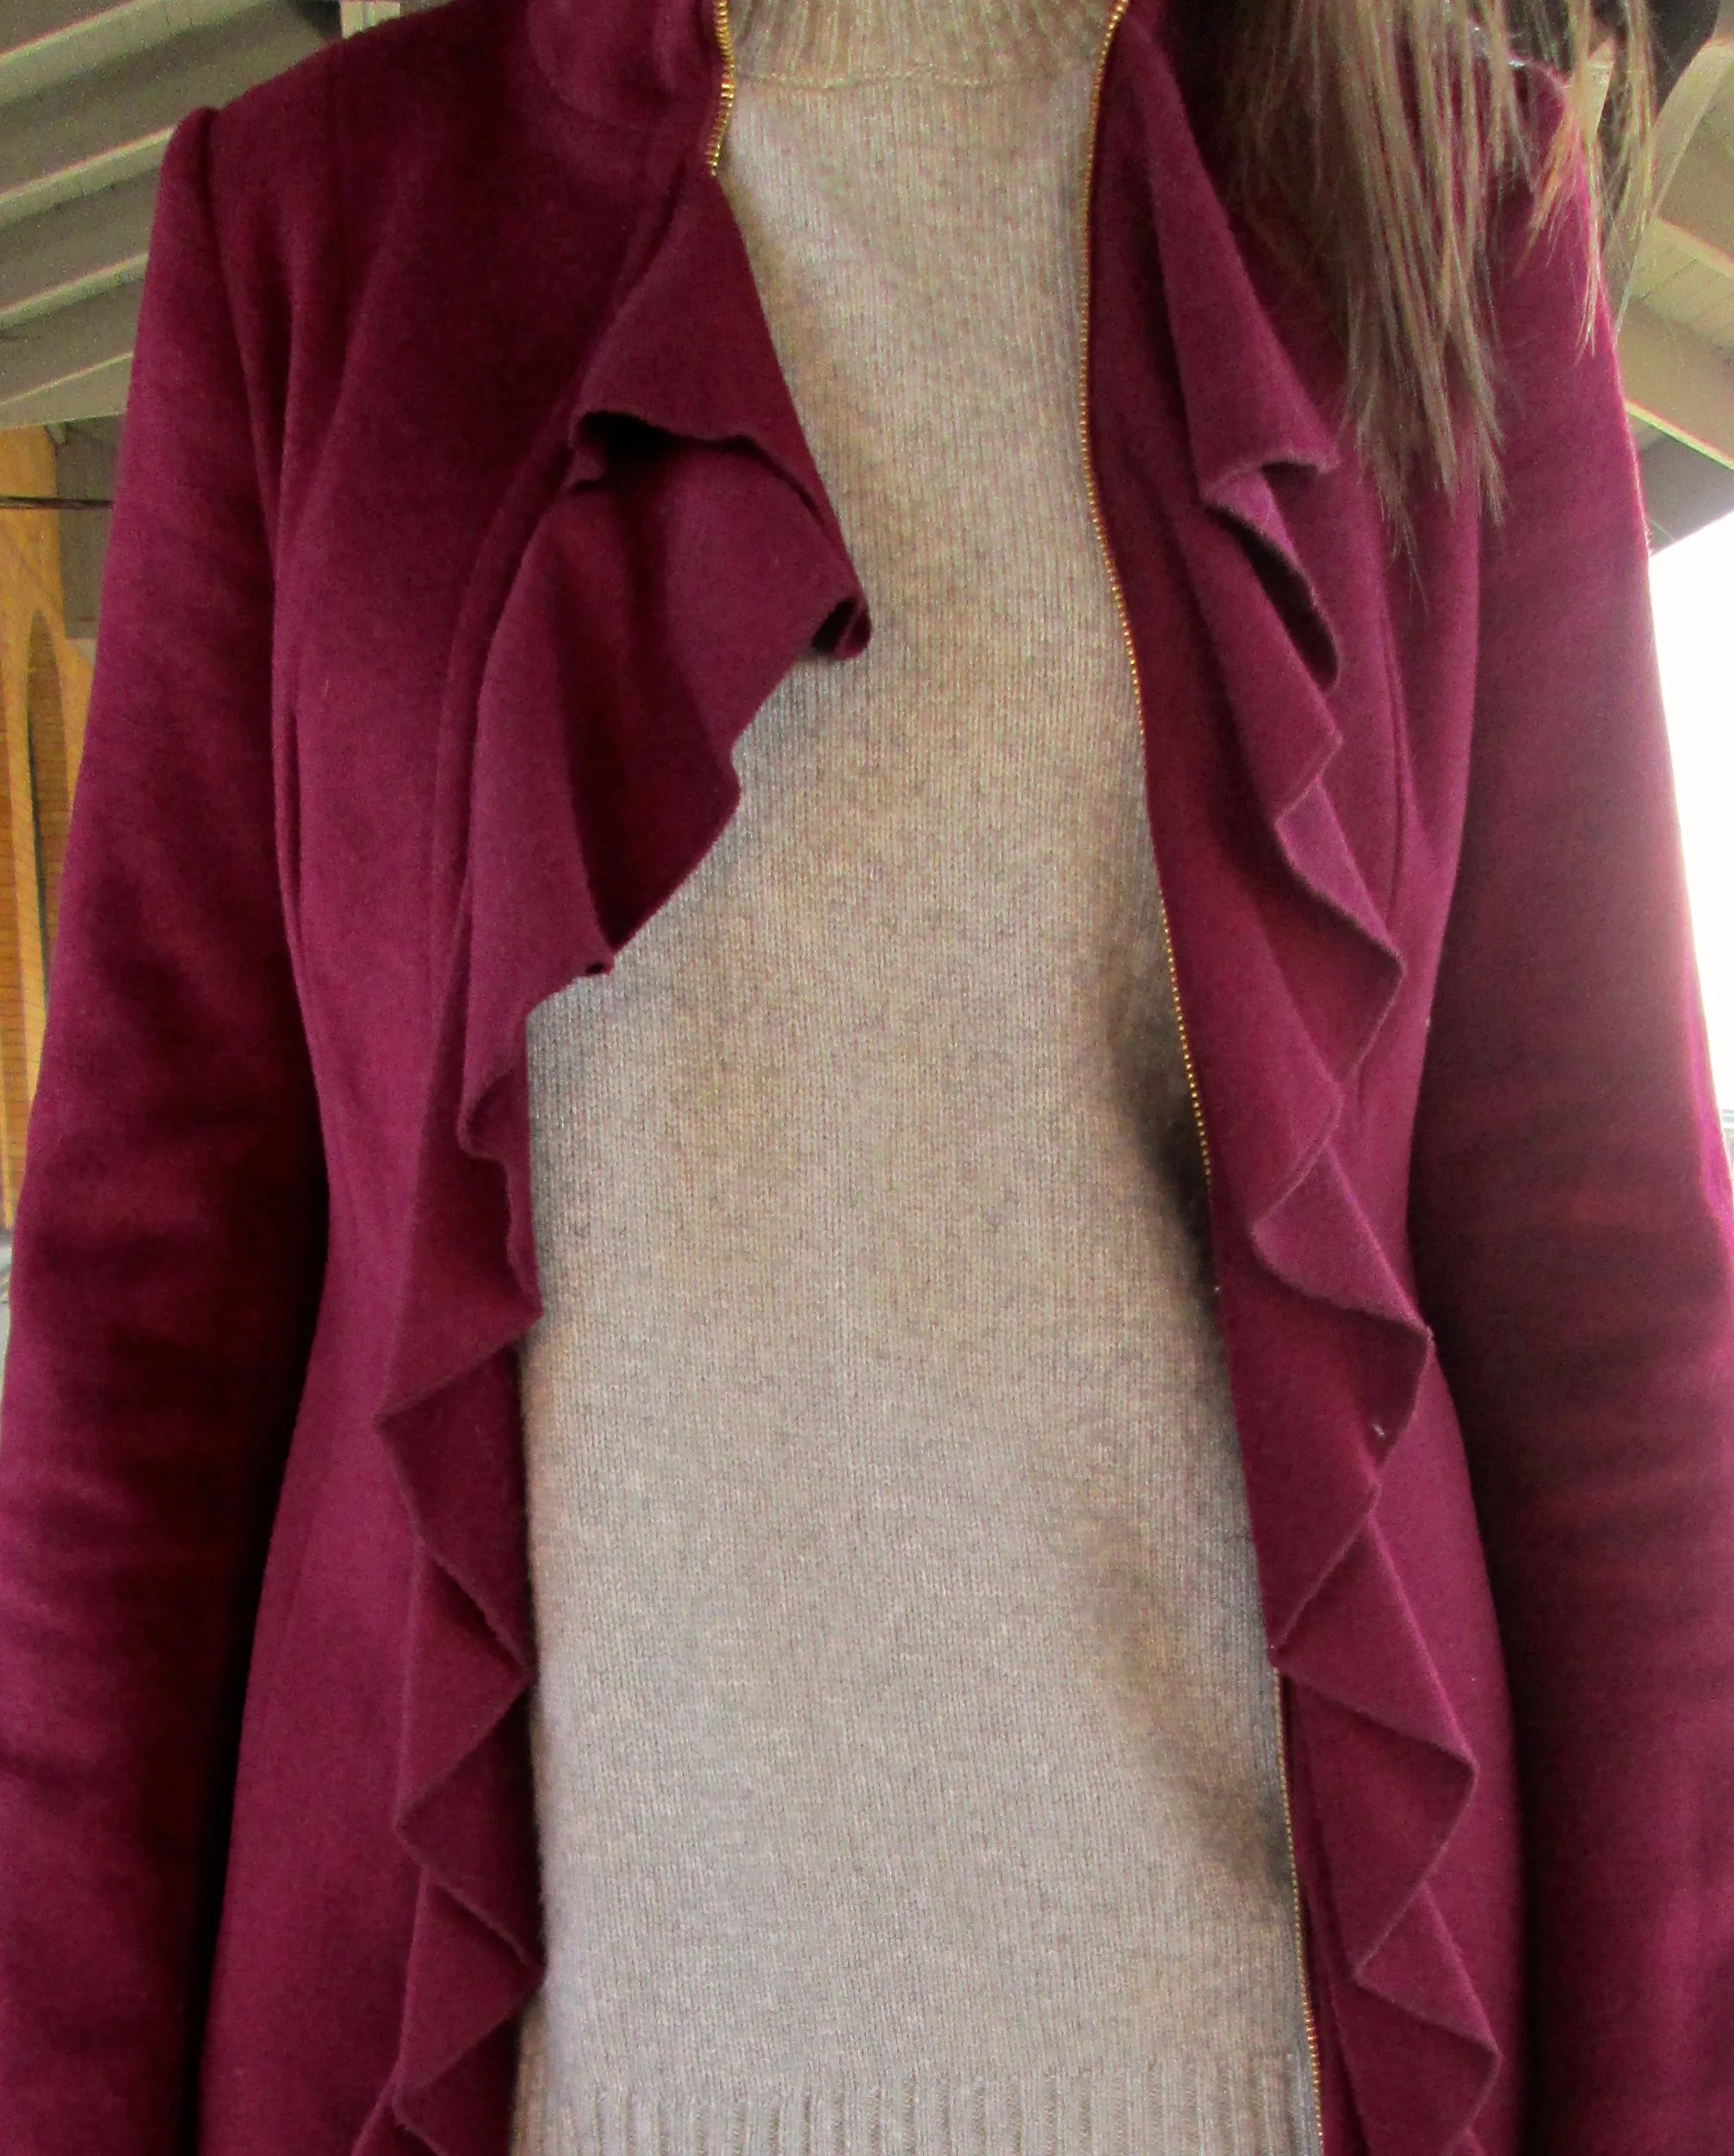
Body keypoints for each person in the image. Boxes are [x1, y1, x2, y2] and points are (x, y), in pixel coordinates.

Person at [0, 1, 1730, 2153]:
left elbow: (1612, 1323)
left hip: (1253, 2089)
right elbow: (137, 1344)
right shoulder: (311, 231)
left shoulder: (1448, 208)